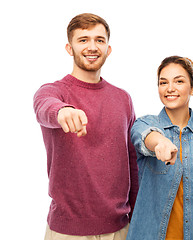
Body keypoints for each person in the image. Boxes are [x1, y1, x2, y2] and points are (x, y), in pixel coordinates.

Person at [33, 13, 138, 240]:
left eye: (99, 40)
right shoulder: (53, 91)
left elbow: (132, 162)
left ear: (108, 49)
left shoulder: (123, 99)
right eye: (83, 40)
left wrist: (138, 219)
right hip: (66, 231)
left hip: (119, 229)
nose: (92, 47)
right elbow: (44, 107)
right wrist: (62, 112)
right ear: (69, 48)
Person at [126, 56, 193, 240]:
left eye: (179, 81)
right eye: (163, 82)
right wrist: (160, 142)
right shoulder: (144, 123)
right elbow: (144, 137)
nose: (170, 88)